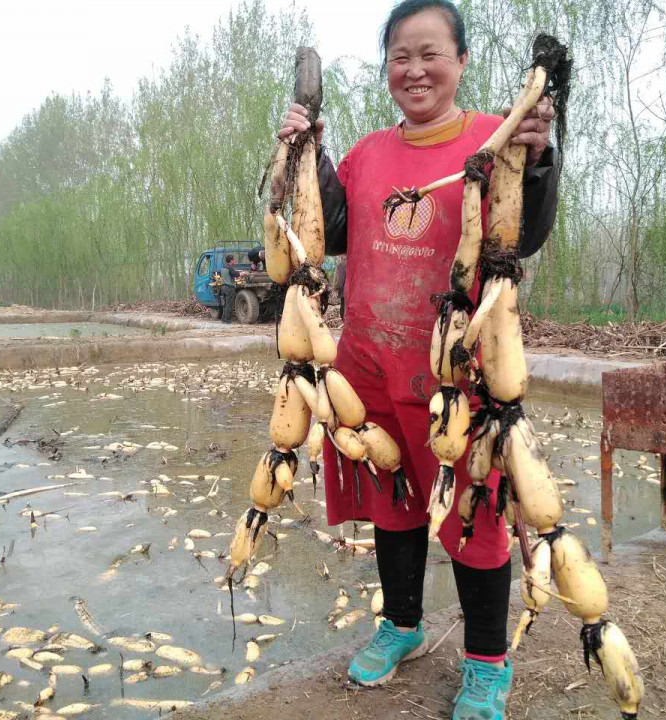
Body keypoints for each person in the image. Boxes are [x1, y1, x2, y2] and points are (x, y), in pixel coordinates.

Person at [278, 2, 559, 718]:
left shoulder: (495, 137)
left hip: (458, 375)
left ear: (460, 61)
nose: (415, 70)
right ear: (387, 70)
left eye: (431, 54)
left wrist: (538, 160)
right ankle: (402, 624)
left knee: (474, 517)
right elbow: (331, 229)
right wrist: (306, 155)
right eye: (400, 57)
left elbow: (523, 237)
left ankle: (487, 663)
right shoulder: (370, 152)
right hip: (369, 369)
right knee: (393, 503)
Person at [219, 255, 239, 323]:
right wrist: (243, 273)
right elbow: (236, 274)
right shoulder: (230, 268)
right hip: (229, 288)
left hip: (223, 287)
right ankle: (227, 320)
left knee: (225, 304)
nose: (235, 261)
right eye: (234, 260)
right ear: (231, 261)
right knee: (229, 304)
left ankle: (224, 319)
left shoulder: (223, 268)